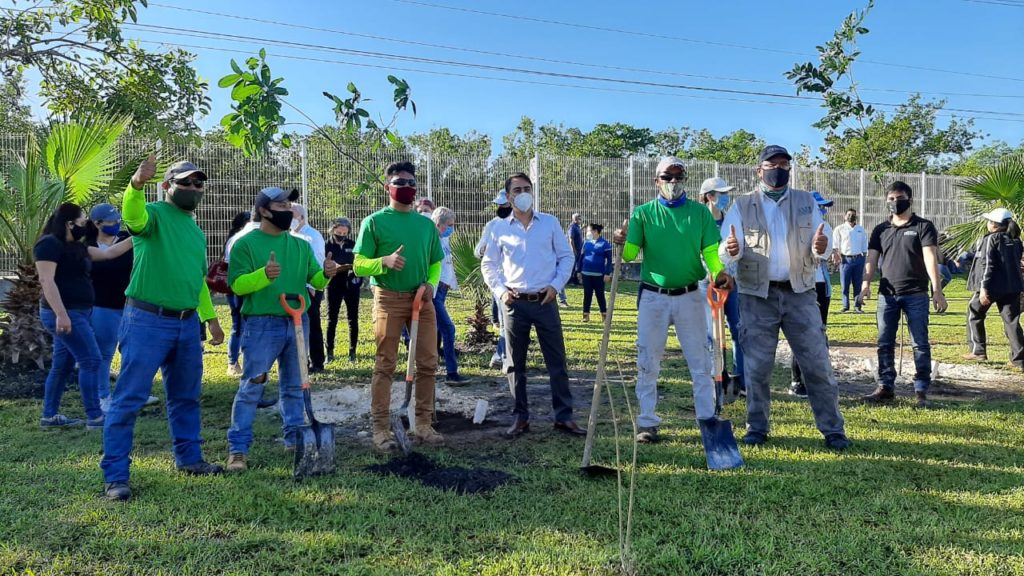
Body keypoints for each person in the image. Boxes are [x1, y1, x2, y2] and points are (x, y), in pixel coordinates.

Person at [101, 156, 225, 502]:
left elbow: (196, 280)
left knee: (186, 397)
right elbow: (133, 217)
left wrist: (210, 318)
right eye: (185, 182)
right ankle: (115, 477)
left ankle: (189, 460)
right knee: (128, 399)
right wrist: (136, 185)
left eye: (198, 184)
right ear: (166, 186)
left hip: (186, 326)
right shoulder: (153, 214)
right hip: (146, 321)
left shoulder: (197, 232)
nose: (193, 188)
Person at [719, 145, 849, 450]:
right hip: (756, 295)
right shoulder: (742, 205)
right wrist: (731, 252)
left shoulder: (807, 201)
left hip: (800, 293)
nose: (779, 169)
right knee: (757, 367)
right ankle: (757, 427)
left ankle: (833, 430)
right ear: (758, 170)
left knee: (816, 364)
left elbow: (823, 244)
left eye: (784, 164)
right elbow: (726, 249)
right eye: (772, 164)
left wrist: (821, 246)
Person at [612, 158, 730, 444]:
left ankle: (706, 419)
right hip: (654, 297)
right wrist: (621, 239)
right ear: (657, 181)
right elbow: (629, 255)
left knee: (700, 361)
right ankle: (647, 422)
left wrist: (719, 272)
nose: (673, 182)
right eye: (667, 177)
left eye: (679, 176)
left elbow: (711, 252)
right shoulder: (643, 213)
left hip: (690, 295)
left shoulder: (699, 213)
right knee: (647, 361)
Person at [224, 187, 338, 472]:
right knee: (253, 386)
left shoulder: (299, 245)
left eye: (290, 205)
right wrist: (263, 275)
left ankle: (293, 439)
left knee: (294, 386)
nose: (289, 210)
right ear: (264, 210)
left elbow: (315, 280)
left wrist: (326, 272)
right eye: (281, 205)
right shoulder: (245, 244)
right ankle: (238, 450)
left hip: (297, 321)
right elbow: (237, 285)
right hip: (262, 324)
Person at [482, 172, 587, 439]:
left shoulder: (549, 223)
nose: (523, 193)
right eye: (517, 190)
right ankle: (520, 417)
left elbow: (566, 257)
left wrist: (555, 286)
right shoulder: (498, 228)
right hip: (514, 303)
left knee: (557, 361)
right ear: (508, 196)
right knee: (515, 364)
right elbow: (489, 264)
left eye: (527, 188)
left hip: (545, 301)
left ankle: (563, 417)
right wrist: (501, 291)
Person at [354, 161, 446, 450]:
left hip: (421, 300)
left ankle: (423, 425)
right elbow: (358, 265)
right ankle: (380, 429)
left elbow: (435, 262)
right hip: (388, 299)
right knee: (385, 364)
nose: (406, 188)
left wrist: (430, 285)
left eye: (410, 183)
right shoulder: (374, 222)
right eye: (399, 183)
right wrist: (384, 262)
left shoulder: (425, 225)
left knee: (428, 363)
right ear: (387, 187)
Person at [35, 203, 131, 429]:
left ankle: (49, 416)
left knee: (63, 365)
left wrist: (140, 236)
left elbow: (109, 253)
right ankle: (95, 417)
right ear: (69, 223)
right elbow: (46, 281)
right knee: (91, 360)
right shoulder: (48, 244)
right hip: (65, 314)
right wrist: (61, 314)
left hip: (78, 313)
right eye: (81, 222)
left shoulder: (77, 247)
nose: (85, 225)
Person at [859, 180, 947, 407]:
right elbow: (871, 259)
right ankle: (885, 386)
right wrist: (865, 284)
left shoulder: (923, 227)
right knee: (884, 343)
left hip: (916, 294)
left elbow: (930, 258)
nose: (895, 202)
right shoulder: (881, 230)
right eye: (890, 199)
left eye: (899, 198)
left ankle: (921, 389)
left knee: (920, 343)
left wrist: (937, 290)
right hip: (887, 295)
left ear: (909, 199)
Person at [86, 203, 158, 413]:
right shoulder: (87, 245)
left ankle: (133, 393)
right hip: (103, 306)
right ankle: (102, 396)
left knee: (134, 352)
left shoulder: (126, 237)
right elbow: (107, 258)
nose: (117, 224)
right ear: (97, 223)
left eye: (119, 220)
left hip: (131, 305)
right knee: (104, 353)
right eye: (111, 221)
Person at [698, 176, 744, 395]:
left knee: (738, 329)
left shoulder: (730, 221)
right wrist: (711, 275)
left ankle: (740, 379)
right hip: (706, 284)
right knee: (711, 334)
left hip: (731, 283)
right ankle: (715, 376)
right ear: (709, 197)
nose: (726, 198)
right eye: (721, 194)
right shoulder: (697, 220)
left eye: (727, 193)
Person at [964, 208, 1024, 367]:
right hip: (1013, 287)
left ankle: (978, 351)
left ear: (995, 225)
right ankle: (1019, 359)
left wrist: (984, 289)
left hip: (991, 286)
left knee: (974, 312)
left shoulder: (991, 239)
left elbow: (988, 265)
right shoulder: (1016, 240)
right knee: (1012, 321)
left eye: (990, 221)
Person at [789, 192, 835, 398]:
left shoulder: (827, 228)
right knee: (800, 334)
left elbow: (824, 254)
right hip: (801, 286)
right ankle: (796, 380)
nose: (823, 211)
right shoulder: (794, 226)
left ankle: (818, 378)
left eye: (824, 207)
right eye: (819, 206)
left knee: (819, 333)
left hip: (820, 286)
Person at [476, 190, 513, 369]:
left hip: (522, 281)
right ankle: (502, 356)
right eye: (499, 204)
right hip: (500, 281)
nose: (501, 207)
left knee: (514, 322)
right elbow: (478, 250)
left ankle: (506, 354)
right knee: (505, 320)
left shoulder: (526, 224)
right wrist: (483, 250)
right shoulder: (492, 225)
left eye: (504, 204)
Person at [430, 206, 466, 385]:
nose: (452, 228)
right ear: (439, 224)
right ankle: (452, 373)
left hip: (442, 290)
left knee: (437, 330)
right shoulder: (430, 240)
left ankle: (431, 367)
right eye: (449, 225)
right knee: (448, 329)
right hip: (434, 292)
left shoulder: (444, 239)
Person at [290, 202, 327, 373]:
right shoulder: (291, 235)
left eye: (292, 215)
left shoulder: (311, 236)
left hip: (309, 288)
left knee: (312, 325)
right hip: (295, 287)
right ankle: (300, 362)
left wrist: (311, 286)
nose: (289, 218)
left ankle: (317, 362)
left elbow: (318, 263)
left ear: (302, 218)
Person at [325, 217, 361, 363]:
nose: (341, 235)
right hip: (333, 284)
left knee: (353, 318)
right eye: (339, 232)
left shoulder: (353, 245)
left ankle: (352, 352)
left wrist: (355, 274)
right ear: (332, 230)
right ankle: (330, 353)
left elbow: (359, 263)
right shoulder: (326, 245)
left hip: (351, 284)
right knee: (331, 318)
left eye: (344, 232)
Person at [223, 211, 253, 376]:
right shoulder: (238, 239)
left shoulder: (233, 238)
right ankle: (233, 363)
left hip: (240, 288)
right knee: (239, 326)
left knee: (242, 326)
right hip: (236, 289)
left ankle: (240, 362)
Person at [833, 208, 868, 313]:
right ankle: (845, 306)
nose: (850, 216)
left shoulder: (860, 229)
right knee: (845, 284)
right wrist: (836, 255)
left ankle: (857, 306)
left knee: (858, 284)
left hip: (859, 259)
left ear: (856, 217)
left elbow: (864, 244)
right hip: (845, 260)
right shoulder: (839, 229)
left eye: (853, 215)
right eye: (848, 214)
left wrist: (865, 259)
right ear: (844, 216)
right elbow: (835, 244)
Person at [577, 222, 612, 323]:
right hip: (586, 273)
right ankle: (585, 315)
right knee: (587, 294)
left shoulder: (605, 244)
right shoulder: (586, 243)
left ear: (596, 231)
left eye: (589, 230)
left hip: (599, 275)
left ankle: (604, 315)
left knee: (600, 294)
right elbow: (581, 257)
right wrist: (579, 270)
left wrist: (607, 273)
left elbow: (609, 260)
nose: (587, 232)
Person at [567, 213, 584, 286]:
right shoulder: (572, 227)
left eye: (580, 218)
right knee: (572, 266)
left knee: (577, 266)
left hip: (579, 250)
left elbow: (578, 234)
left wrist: (582, 228)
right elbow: (571, 239)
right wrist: (573, 250)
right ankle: (570, 281)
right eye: (578, 218)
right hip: (574, 250)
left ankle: (575, 280)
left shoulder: (577, 227)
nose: (580, 220)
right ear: (574, 219)